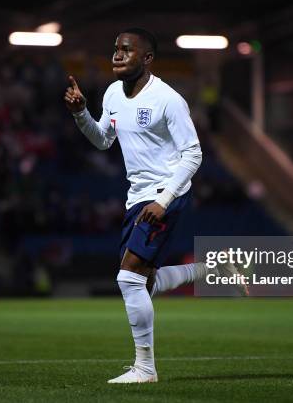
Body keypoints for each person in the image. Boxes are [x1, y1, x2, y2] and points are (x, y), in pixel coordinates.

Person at [64, 28, 242, 383]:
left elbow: (193, 154)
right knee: (142, 283)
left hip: (166, 192)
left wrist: (164, 200)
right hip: (137, 196)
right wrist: (81, 113)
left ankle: (145, 368)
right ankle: (211, 270)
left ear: (146, 59)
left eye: (126, 50)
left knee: (128, 278)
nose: (117, 55)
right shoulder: (114, 93)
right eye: (115, 49)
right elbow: (102, 140)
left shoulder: (168, 99)